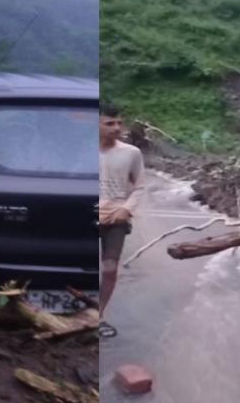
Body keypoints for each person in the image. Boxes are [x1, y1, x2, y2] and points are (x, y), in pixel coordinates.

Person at [98, 103, 145, 338]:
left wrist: (127, 209)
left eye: (119, 123)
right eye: (109, 123)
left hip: (116, 219)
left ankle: (98, 316)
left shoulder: (131, 153)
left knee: (109, 269)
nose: (116, 128)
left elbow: (140, 186)